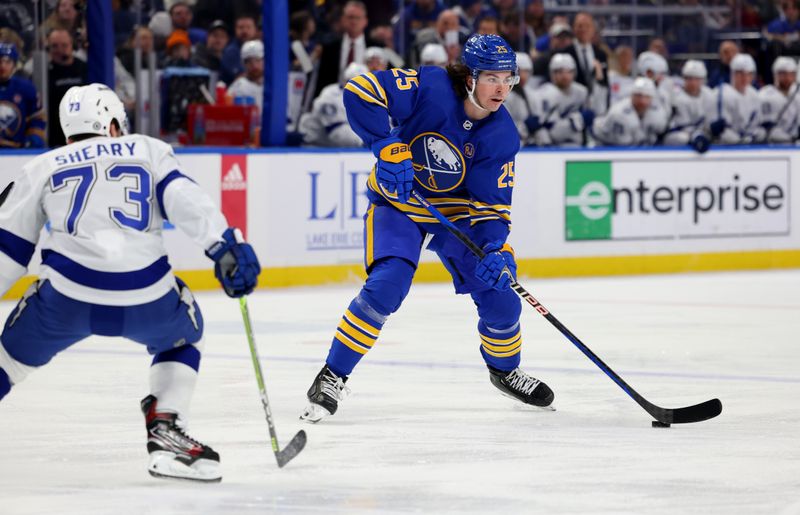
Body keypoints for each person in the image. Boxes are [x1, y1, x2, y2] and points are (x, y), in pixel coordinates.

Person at [0, 83, 260, 482]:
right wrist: (226, 247)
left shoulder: (42, 166)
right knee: (186, 336)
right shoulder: (147, 148)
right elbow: (186, 201)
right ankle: (167, 431)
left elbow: (9, 250)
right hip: (148, 297)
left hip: (65, 298)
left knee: (9, 361)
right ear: (112, 124)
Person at [300, 34, 555, 423]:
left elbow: (490, 210)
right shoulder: (431, 86)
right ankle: (332, 374)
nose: (501, 88)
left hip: (455, 219)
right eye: (491, 78)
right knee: (388, 285)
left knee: (503, 297)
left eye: (508, 78)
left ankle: (505, 371)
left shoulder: (502, 136)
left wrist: (493, 250)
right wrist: (386, 145)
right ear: (468, 77)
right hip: (400, 204)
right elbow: (361, 90)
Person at [528, 53, 591, 146]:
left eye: (569, 71)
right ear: (552, 73)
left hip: (580, 146)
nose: (565, 76)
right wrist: (578, 120)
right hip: (555, 148)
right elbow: (553, 133)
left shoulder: (582, 92)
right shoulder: (545, 94)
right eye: (560, 72)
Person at [298, 62, 367, 147]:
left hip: (344, 148)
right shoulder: (330, 95)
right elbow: (336, 132)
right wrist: (364, 141)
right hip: (316, 148)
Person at [591, 77, 667, 146]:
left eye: (646, 96)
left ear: (652, 98)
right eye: (638, 95)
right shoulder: (619, 113)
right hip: (604, 142)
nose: (642, 101)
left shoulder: (658, 111)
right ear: (632, 96)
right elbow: (622, 147)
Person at [708, 53, 765, 145]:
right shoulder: (721, 93)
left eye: (749, 74)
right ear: (732, 73)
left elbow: (757, 125)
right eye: (740, 73)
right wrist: (740, 140)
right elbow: (721, 130)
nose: (745, 78)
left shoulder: (754, 94)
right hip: (726, 146)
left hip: (750, 143)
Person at [46, 28, 88, 148]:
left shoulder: (84, 69)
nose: (59, 50)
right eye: (54, 46)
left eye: (64, 45)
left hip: (82, 133)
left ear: (72, 45)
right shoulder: (44, 73)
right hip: (54, 136)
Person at [0, 42, 45, 148]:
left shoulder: (26, 88)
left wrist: (33, 139)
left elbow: (38, 118)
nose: (2, 66)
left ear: (15, 65)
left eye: (7, 62)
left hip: (17, 150)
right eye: (0, 61)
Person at [663, 59, 713, 153]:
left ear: (703, 79)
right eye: (689, 78)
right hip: (680, 134)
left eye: (697, 79)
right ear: (684, 79)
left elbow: (710, 120)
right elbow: (684, 126)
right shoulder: (676, 96)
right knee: (681, 137)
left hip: (702, 134)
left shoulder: (709, 95)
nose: (693, 83)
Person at [758, 56, 800, 143]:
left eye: (791, 74)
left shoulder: (797, 96)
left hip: (794, 145)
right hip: (772, 145)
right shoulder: (765, 95)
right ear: (775, 74)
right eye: (783, 74)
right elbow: (766, 127)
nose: (788, 78)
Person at [226, 39, 263, 109]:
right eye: (249, 61)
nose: (254, 65)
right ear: (243, 64)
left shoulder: (274, 86)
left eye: (258, 60)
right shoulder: (237, 87)